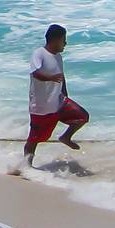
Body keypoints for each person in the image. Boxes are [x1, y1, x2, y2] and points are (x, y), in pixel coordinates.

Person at [24, 23, 89, 165]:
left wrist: (65, 92)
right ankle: (26, 166)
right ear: (54, 40)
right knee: (35, 139)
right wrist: (50, 78)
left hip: (59, 102)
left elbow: (61, 75)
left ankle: (66, 137)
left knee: (82, 116)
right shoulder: (39, 53)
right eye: (63, 40)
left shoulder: (58, 57)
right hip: (40, 107)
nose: (65, 43)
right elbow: (35, 73)